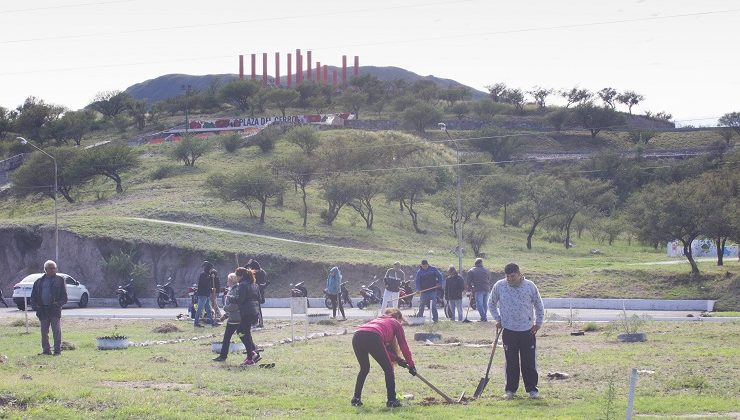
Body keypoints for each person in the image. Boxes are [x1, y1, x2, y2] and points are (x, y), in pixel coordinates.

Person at [488, 263, 545, 400]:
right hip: (508, 330)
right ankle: (510, 390)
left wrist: (538, 323)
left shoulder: (530, 286)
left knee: (529, 362)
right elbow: (491, 303)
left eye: (512, 276)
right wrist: (498, 319)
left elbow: (538, 304)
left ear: (519, 274)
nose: (510, 279)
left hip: (527, 331)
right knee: (511, 362)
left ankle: (532, 390)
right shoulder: (500, 286)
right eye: (507, 276)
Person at [351, 308, 416, 408]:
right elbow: (403, 345)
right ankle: (391, 401)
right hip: (373, 336)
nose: (401, 323)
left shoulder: (380, 320)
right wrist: (411, 365)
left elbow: (382, 350)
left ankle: (356, 399)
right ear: (398, 317)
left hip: (357, 335)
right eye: (401, 321)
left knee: (364, 369)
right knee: (388, 369)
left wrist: (399, 360)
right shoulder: (395, 323)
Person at [29, 260, 68, 356]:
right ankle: (46, 351)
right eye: (50, 268)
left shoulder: (60, 280)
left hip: (54, 310)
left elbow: (64, 297)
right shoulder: (38, 282)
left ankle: (57, 351)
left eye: (54, 268)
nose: (53, 270)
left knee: (56, 331)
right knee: (44, 332)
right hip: (43, 311)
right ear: (45, 269)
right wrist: (36, 307)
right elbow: (33, 297)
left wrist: (57, 304)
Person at [213, 273, 252, 362]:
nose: (227, 282)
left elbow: (234, 306)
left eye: (228, 280)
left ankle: (223, 356)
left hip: (235, 318)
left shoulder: (235, 290)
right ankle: (253, 350)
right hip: (237, 317)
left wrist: (225, 308)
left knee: (227, 337)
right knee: (242, 335)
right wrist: (225, 316)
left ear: (231, 281)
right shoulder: (236, 288)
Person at [236, 266, 262, 366]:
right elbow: (260, 299)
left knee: (241, 332)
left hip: (246, 312)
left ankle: (250, 357)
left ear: (241, 276)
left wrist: (232, 298)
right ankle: (253, 352)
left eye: (237, 276)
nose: (236, 278)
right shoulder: (255, 285)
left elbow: (241, 300)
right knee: (245, 333)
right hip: (254, 312)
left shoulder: (242, 285)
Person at [194, 261, 219, 327]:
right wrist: (211, 278)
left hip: (206, 294)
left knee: (208, 309)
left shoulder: (207, 275)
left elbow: (207, 285)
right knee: (200, 308)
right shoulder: (203, 275)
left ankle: (211, 321)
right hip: (202, 294)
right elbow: (204, 284)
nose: (211, 270)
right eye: (210, 269)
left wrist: (211, 289)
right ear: (208, 268)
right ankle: (196, 322)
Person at [249, 259, 269, 328]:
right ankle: (256, 322)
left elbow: (265, 283)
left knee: (257, 308)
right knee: (255, 308)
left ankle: (260, 323)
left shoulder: (260, 273)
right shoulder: (261, 272)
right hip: (257, 292)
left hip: (258, 292)